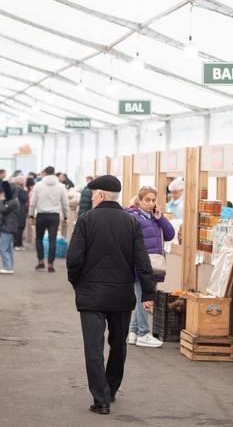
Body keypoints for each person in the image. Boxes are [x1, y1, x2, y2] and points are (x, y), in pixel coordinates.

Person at [66, 175, 156, 414]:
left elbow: (74, 258)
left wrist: (77, 282)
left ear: (101, 195)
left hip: (91, 296)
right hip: (121, 295)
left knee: (93, 348)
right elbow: (142, 261)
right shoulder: (131, 222)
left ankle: (101, 399)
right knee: (118, 345)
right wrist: (148, 293)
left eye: (94, 193)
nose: (93, 197)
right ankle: (111, 388)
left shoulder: (85, 220)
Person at [124, 185, 175, 348]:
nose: (151, 203)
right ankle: (143, 332)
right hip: (140, 264)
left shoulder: (155, 217)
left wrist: (161, 218)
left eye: (154, 200)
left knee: (142, 297)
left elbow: (170, 235)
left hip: (153, 264)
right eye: (147, 200)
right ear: (139, 200)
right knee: (143, 297)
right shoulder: (132, 216)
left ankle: (134, 331)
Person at [28, 166, 69, 273]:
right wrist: (66, 216)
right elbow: (65, 203)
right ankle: (50, 264)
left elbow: (33, 202)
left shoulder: (38, 185)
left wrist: (31, 215)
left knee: (39, 238)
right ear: (54, 173)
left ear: (45, 173)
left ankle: (41, 261)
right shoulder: (61, 186)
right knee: (52, 239)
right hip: (54, 216)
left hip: (41, 215)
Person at [0, 181, 20, 274]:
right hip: (10, 226)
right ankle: (10, 266)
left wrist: (1, 200)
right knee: (8, 247)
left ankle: (8, 267)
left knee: (2, 247)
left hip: (8, 227)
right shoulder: (14, 200)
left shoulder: (13, 201)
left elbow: (2, 209)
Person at [12, 175, 28, 250]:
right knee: (20, 227)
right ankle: (17, 244)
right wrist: (25, 190)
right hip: (20, 210)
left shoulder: (14, 188)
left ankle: (18, 243)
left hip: (18, 210)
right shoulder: (19, 190)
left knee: (19, 227)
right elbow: (25, 198)